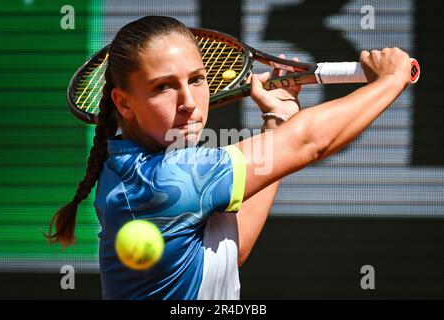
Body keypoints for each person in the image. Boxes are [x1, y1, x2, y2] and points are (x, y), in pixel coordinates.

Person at [46, 16, 412, 300]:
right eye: (163, 87)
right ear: (123, 103)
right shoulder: (168, 179)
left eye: (197, 79)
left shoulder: (143, 168)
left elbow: (228, 255)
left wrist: (278, 121)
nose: (189, 102)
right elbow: (308, 143)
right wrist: (389, 81)